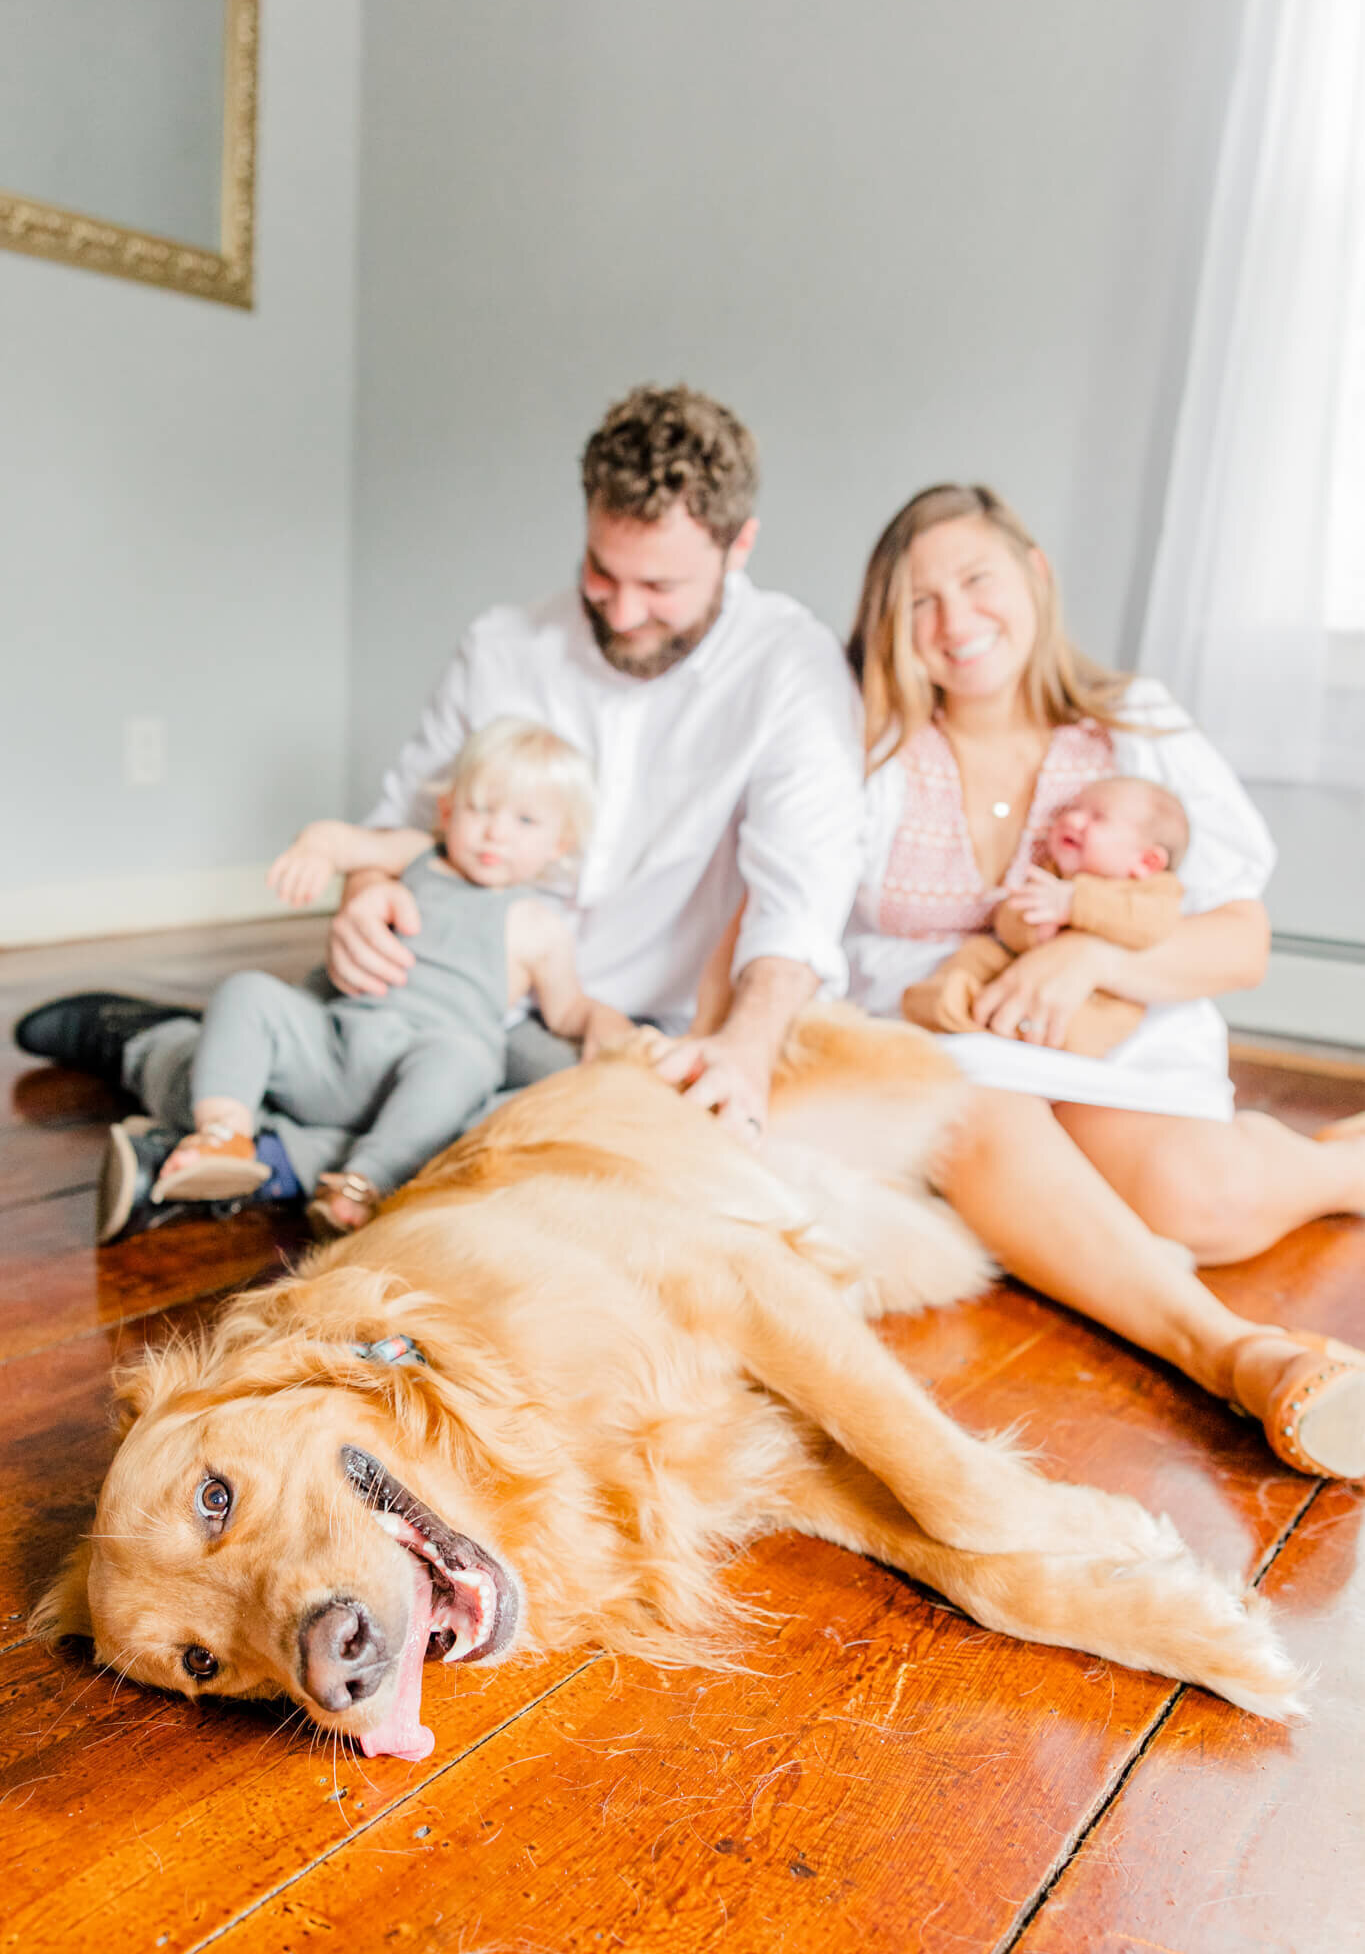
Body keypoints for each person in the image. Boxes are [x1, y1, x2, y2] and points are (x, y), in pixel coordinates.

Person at [16, 384, 865, 1228]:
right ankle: (159, 1053)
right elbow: (400, 829)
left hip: (607, 1028)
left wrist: (745, 1051)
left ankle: (226, 1126)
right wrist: (364, 909)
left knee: (557, 1134)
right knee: (346, 1056)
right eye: (601, 572)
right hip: (437, 989)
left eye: (661, 585)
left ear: (739, 544)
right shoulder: (504, 647)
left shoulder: (792, 668)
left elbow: (802, 892)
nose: (624, 609)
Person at [845, 481, 1365, 1480]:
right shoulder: (873, 745)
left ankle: (1341, 1164)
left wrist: (1091, 950)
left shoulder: (1131, 723)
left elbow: (1242, 938)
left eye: (976, 579)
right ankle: (1235, 1353)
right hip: (953, 1051)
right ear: (890, 624)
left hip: (1111, 1048)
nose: (955, 620)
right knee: (971, 1107)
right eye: (919, 600)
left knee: (1203, 1196)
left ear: (1035, 575)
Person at [122, 717, 632, 1242]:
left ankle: (364, 1181)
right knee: (247, 990)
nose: (496, 831)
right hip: (334, 1047)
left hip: (423, 1076)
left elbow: (567, 1011)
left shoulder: (539, 927)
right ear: (448, 809)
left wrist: (602, 1019)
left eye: (525, 820)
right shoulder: (415, 855)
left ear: (559, 842)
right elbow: (341, 841)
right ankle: (224, 1134)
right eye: (481, 808)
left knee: (470, 1062)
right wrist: (314, 850)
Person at [903, 775, 1188, 1056]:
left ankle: (996, 1023)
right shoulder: (1052, 873)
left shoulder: (1155, 889)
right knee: (979, 952)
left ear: (1147, 861)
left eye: (1098, 818)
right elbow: (1008, 921)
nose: (1072, 820)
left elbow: (1154, 924)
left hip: (1096, 996)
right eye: (1072, 810)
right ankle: (945, 1003)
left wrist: (1075, 902)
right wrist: (1032, 928)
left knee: (1095, 1023)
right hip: (1021, 968)